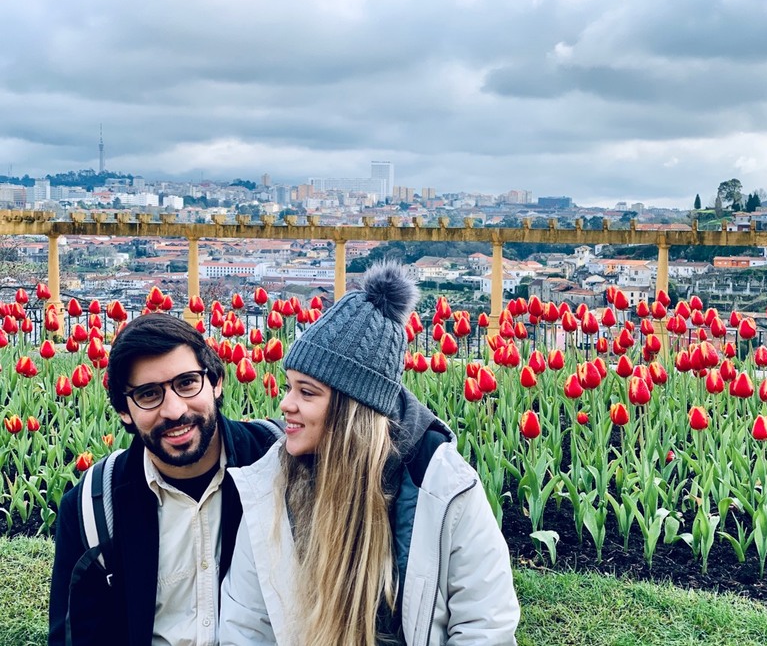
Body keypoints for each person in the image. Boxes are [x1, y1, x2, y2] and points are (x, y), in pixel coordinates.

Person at [220, 262, 520, 646]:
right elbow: (246, 629)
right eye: (289, 386)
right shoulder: (270, 485)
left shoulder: (443, 487)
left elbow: (485, 627)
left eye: (306, 392)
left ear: (354, 410)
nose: (285, 404)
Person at [49, 312, 280, 646]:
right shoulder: (93, 507)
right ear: (124, 410)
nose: (174, 410)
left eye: (187, 382)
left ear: (216, 382)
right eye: (148, 394)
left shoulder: (279, 466)